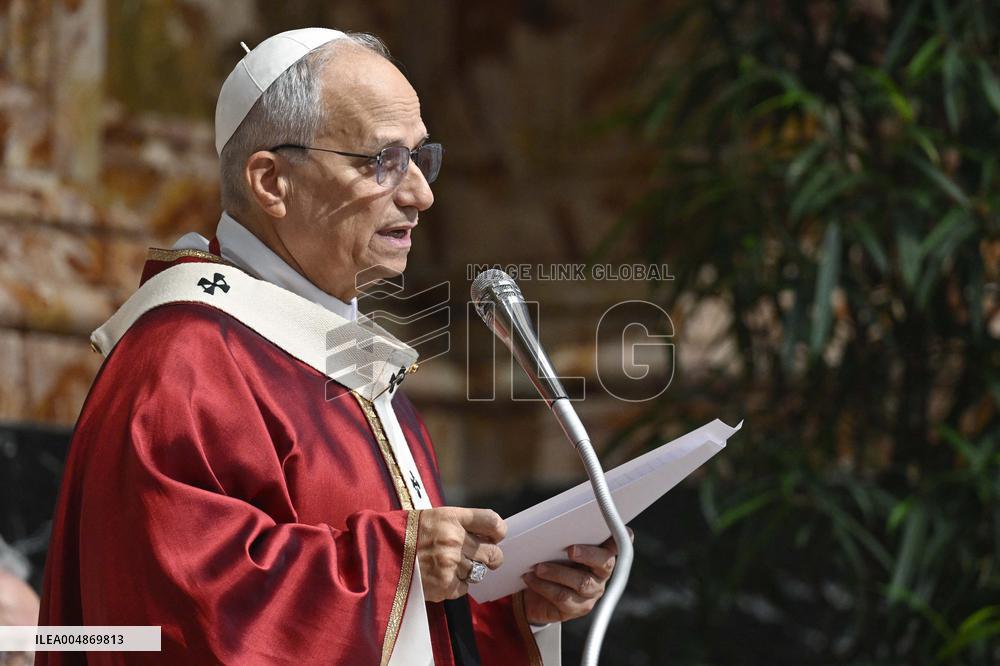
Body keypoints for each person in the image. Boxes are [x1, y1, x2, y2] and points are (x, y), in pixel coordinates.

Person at [37, 28, 620, 665]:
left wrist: (507, 609)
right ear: (271, 183)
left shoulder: (352, 360)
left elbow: (398, 624)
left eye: (422, 160)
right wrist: (395, 563)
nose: (421, 194)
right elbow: (173, 616)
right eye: (382, 162)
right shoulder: (183, 360)